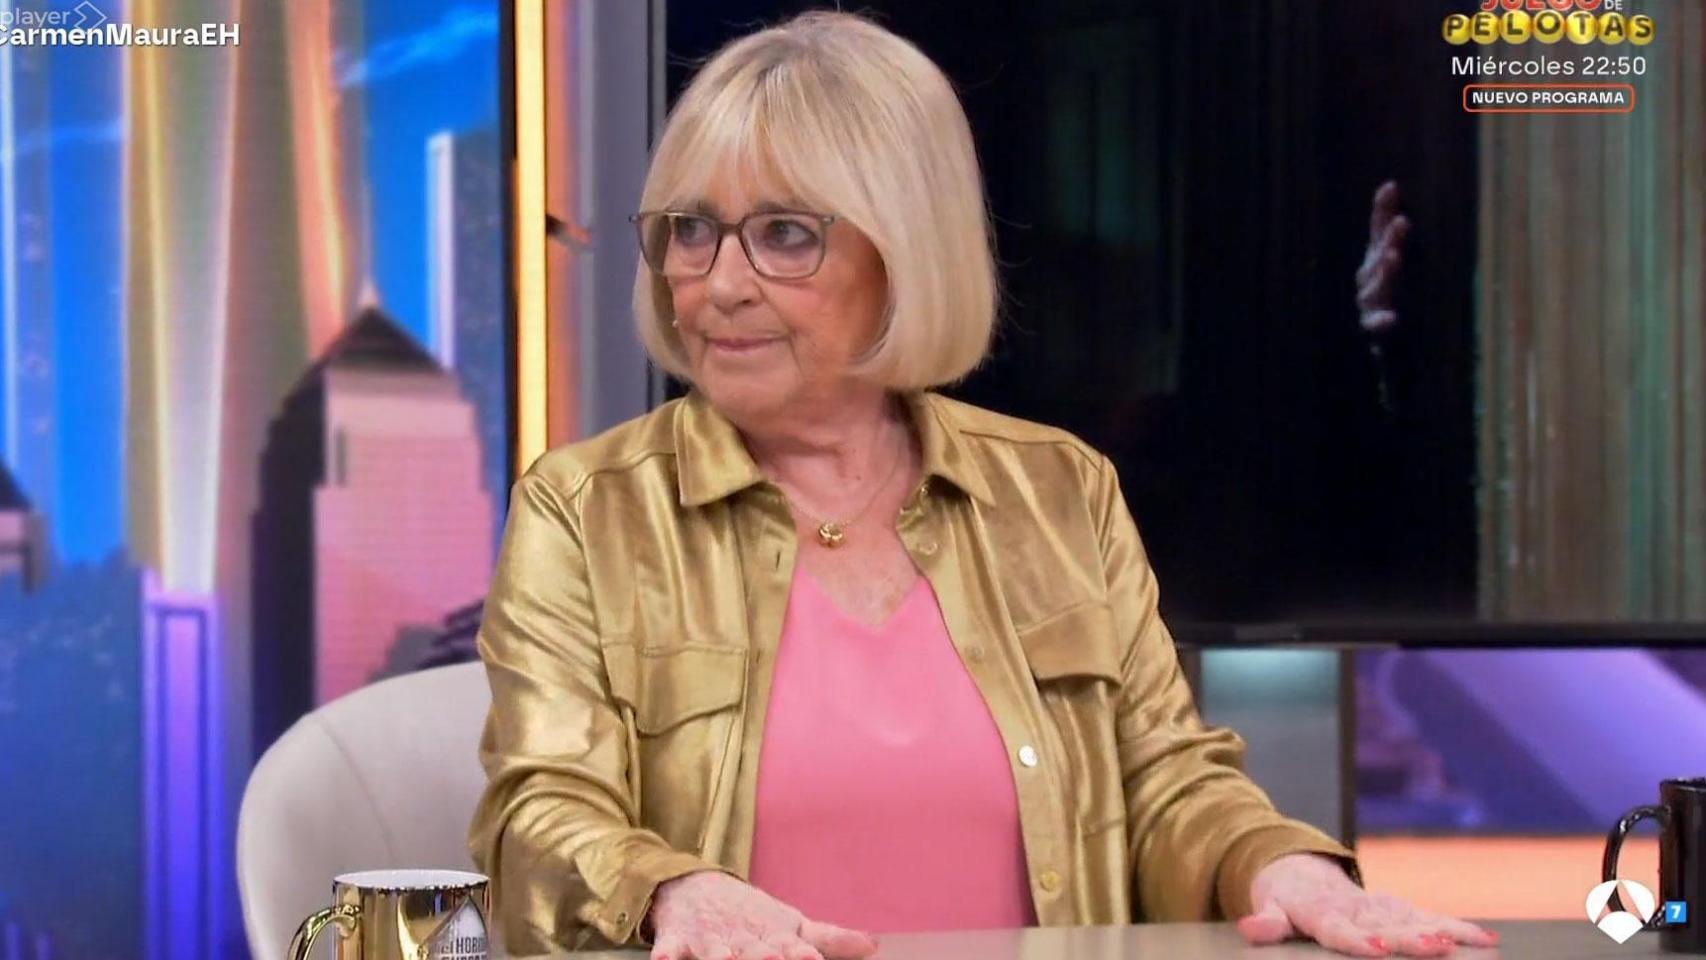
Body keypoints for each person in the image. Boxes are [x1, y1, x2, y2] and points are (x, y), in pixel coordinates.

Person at [466, 12, 1496, 960]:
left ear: (903, 249)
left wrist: (1278, 865)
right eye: (690, 229)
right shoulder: (584, 511)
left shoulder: (1059, 489)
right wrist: (672, 890)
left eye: (784, 234)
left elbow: (1167, 783)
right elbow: (539, 817)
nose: (718, 283)